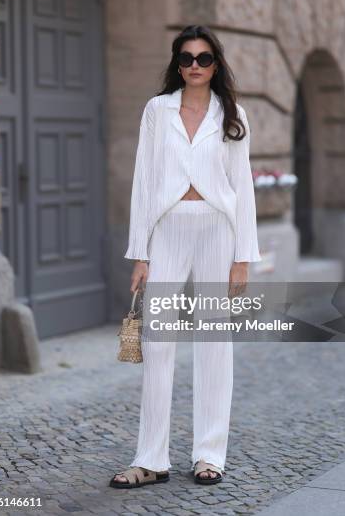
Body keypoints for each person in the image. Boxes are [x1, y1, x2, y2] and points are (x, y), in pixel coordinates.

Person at [110, 24, 261, 489]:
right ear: (177, 63)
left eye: (204, 58)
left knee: (215, 342)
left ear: (216, 64)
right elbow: (143, 180)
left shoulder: (232, 113)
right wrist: (140, 251)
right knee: (158, 341)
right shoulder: (157, 110)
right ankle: (151, 458)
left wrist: (243, 256)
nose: (195, 66)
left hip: (218, 227)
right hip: (168, 228)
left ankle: (209, 454)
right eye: (186, 58)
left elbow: (244, 186)